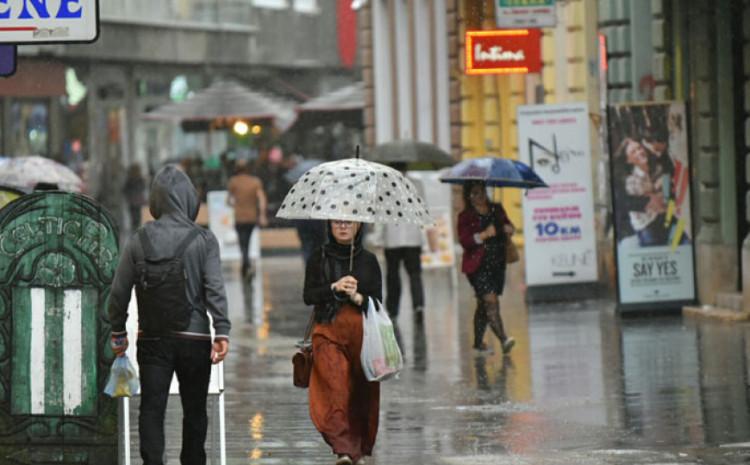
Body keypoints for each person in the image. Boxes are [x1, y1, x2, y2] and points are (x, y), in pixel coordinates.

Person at [108, 165, 231, 465]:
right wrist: (222, 330)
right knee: (194, 409)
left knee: (152, 407)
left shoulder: (139, 240)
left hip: (152, 338)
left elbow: (118, 292)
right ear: (190, 199)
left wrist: (118, 332)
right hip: (195, 338)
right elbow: (214, 288)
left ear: (156, 200)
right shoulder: (203, 240)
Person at [303, 219, 382, 465]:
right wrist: (333, 288)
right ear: (330, 225)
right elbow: (308, 296)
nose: (343, 226)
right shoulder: (319, 257)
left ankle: (356, 448)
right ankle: (343, 449)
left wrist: (358, 297)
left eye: (349, 222)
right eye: (337, 222)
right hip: (328, 331)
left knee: (360, 392)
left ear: (359, 226)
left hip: (362, 336)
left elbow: (378, 301)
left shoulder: (368, 260)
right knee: (335, 388)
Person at [458, 182, 515, 355]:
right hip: (478, 267)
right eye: (475, 193)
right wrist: (482, 235)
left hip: (497, 264)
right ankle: (504, 339)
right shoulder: (465, 216)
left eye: (482, 192)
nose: (480, 196)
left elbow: (510, 226)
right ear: (469, 196)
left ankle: (477, 343)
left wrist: (508, 228)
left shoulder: (496, 209)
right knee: (490, 301)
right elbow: (465, 241)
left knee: (483, 305)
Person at [370, 222, 425, 324]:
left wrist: (377, 240)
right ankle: (418, 305)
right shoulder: (415, 205)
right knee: (415, 275)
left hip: (392, 241)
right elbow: (421, 221)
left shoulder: (388, 205)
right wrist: (423, 241)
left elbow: (381, 221)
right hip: (413, 241)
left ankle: (393, 309)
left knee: (393, 275)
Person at [227, 160, 268, 277]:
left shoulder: (233, 181)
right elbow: (261, 199)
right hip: (251, 217)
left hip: (239, 217)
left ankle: (245, 262)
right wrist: (262, 215)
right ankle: (246, 262)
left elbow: (228, 200)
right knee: (248, 241)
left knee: (242, 241)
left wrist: (236, 204)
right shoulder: (255, 182)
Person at [123, 163, 147, 232]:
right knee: (138, 216)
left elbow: (124, 190)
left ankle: (134, 228)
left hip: (132, 201)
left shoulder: (129, 180)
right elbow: (143, 188)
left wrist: (129, 196)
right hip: (138, 201)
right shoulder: (140, 179)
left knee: (133, 216)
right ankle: (137, 228)